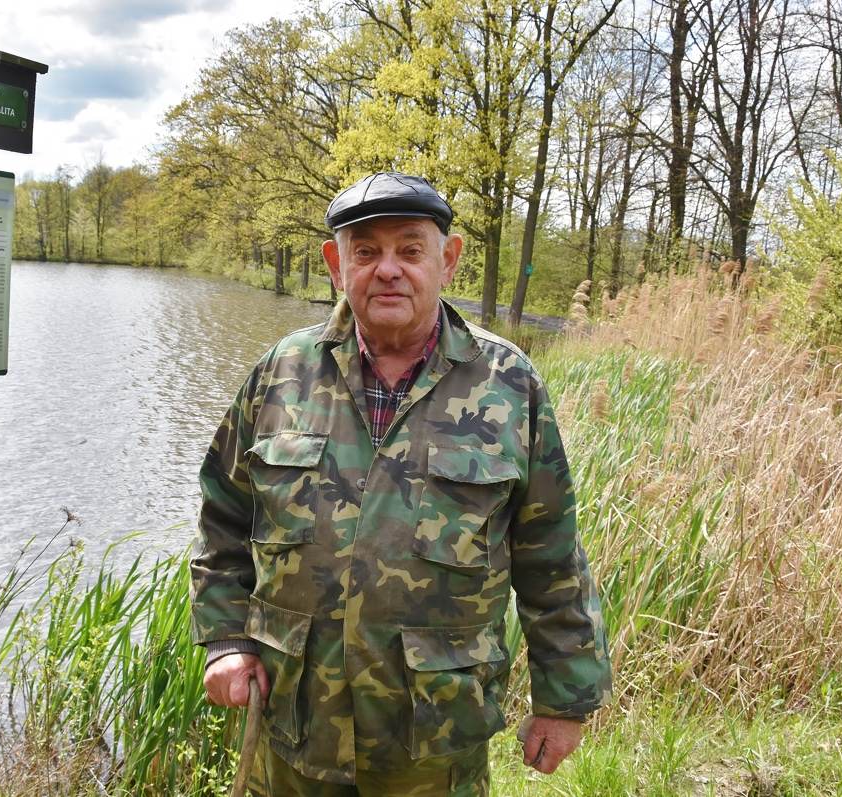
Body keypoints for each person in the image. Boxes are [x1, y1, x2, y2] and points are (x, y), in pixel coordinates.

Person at [190, 171, 611, 796]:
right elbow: (223, 517)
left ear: (449, 259)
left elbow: (551, 553)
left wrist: (564, 699)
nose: (388, 269)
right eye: (366, 252)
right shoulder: (280, 373)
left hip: (434, 740)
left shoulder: (508, 384)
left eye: (411, 250)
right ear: (337, 264)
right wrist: (226, 639)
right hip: (294, 727)